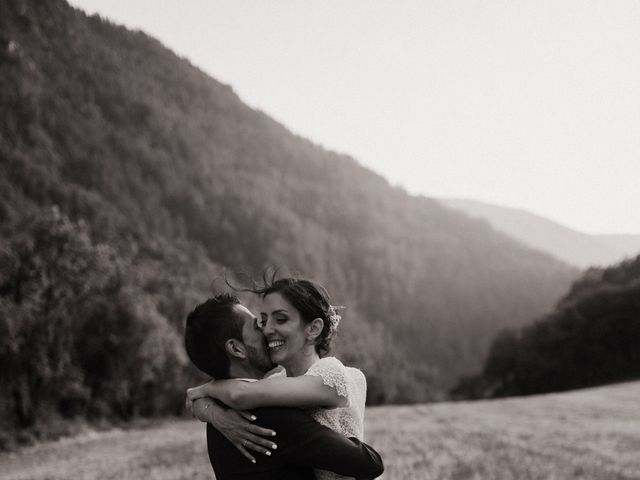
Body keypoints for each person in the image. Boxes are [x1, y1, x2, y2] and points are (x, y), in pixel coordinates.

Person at [184, 292, 383, 480]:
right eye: (257, 326)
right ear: (236, 349)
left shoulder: (217, 416)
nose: (267, 330)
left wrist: (206, 402)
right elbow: (369, 463)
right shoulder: (269, 415)